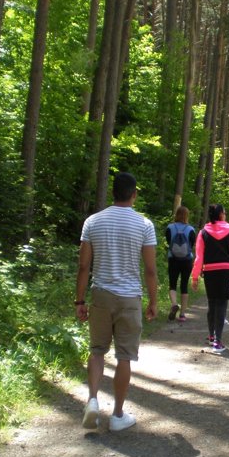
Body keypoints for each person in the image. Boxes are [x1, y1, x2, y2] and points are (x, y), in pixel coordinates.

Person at [75, 172, 158, 432]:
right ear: (134, 194)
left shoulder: (93, 222)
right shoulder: (144, 225)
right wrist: (154, 301)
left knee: (97, 350)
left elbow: (84, 265)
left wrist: (79, 300)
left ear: (113, 192)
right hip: (129, 297)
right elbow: (151, 270)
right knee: (124, 357)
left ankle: (92, 400)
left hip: (100, 294)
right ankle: (118, 415)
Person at [191, 204, 229, 354]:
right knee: (221, 305)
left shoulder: (203, 233)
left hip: (209, 271)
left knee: (212, 303)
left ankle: (211, 336)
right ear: (221, 214)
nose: (225, 215)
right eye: (225, 212)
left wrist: (195, 276)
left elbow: (199, 257)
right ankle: (218, 341)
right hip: (225, 271)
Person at [165, 206, 196, 322]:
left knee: (172, 284)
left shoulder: (170, 227)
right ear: (187, 216)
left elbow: (168, 241)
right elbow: (192, 244)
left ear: (176, 214)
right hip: (187, 260)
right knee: (184, 286)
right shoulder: (191, 229)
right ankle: (182, 314)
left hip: (173, 258)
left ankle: (174, 304)